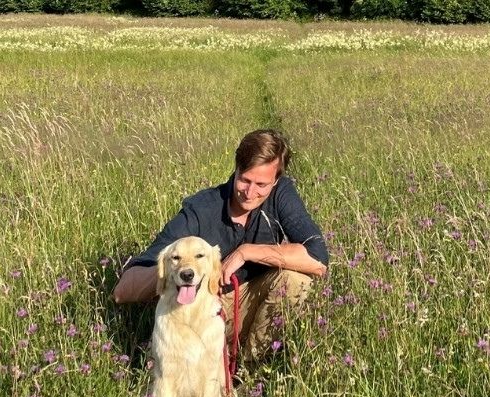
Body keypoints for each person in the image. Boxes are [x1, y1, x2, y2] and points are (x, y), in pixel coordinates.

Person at [113, 129, 328, 369]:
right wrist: (183, 268)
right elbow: (123, 291)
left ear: (276, 181)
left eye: (261, 185)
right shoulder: (201, 210)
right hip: (205, 309)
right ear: (235, 169)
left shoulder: (281, 195)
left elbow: (318, 260)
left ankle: (248, 369)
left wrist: (247, 251)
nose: (250, 192)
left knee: (295, 280)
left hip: (251, 303)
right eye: (245, 180)